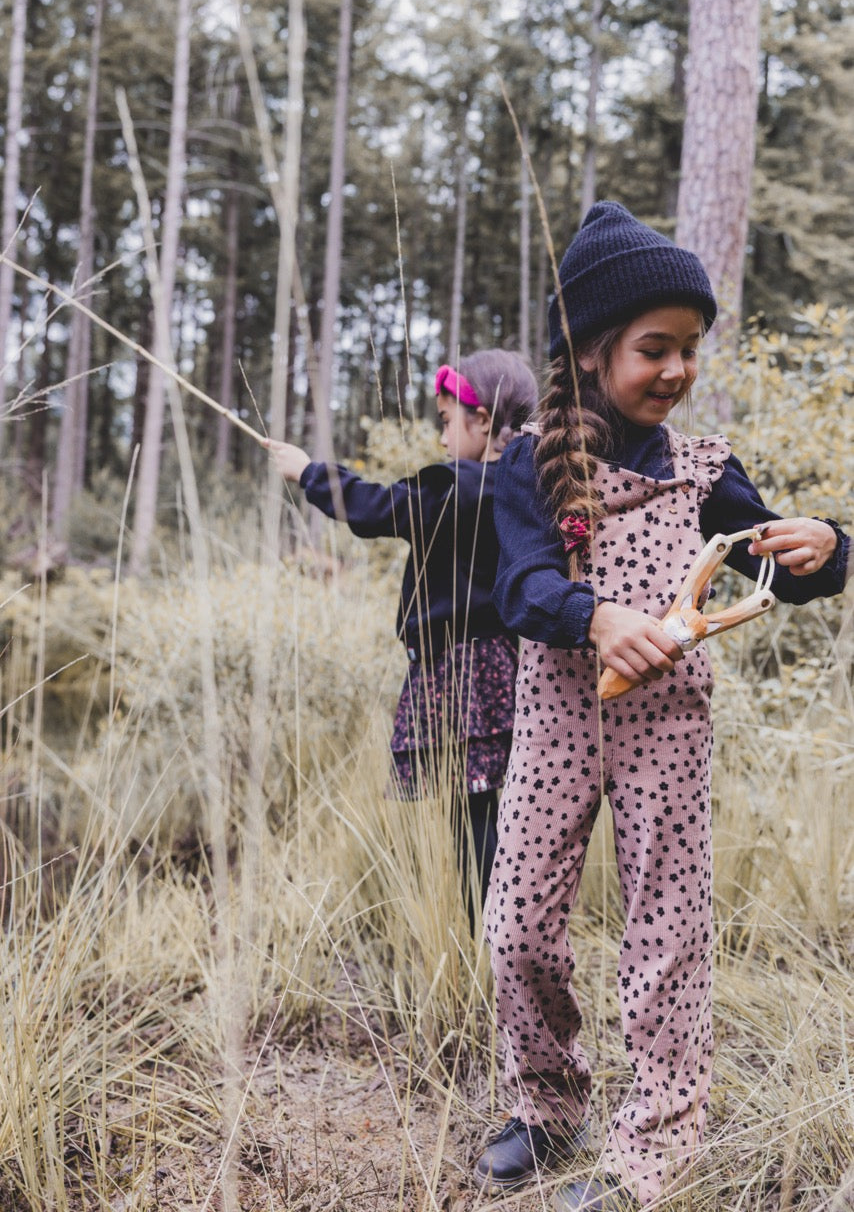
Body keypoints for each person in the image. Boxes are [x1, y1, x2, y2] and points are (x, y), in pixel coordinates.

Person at [473, 203, 850, 1209]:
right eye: (654, 348)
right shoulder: (524, 465)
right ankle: (545, 1105)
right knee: (514, 925)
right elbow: (515, 586)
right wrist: (592, 618)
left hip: (668, 730)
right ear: (593, 350)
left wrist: (825, 546)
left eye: (688, 348)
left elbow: (774, 560)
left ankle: (654, 1149)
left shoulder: (704, 470)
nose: (677, 368)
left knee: (666, 932)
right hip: (556, 722)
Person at [266, 349, 538, 930]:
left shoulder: (463, 489)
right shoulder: (526, 484)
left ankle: (493, 942)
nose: (442, 439)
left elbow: (378, 509)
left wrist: (308, 472)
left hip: (468, 669)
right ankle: (502, 938)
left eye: (447, 421)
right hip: (509, 667)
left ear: (484, 420)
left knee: (477, 817)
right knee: (493, 806)